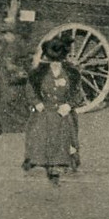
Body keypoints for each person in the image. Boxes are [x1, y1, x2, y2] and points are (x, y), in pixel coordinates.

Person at [24, 37, 81, 185]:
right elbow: (30, 89)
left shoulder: (72, 74)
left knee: (63, 134)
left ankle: (59, 164)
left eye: (59, 61)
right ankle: (39, 160)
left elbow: (78, 93)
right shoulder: (39, 73)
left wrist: (69, 105)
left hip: (63, 112)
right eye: (52, 61)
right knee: (40, 132)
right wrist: (37, 103)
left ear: (63, 59)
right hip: (45, 110)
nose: (55, 65)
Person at [0, 22, 31, 135]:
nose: (5, 37)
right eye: (4, 34)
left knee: (8, 100)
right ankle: (0, 123)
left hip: (10, 79)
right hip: (3, 78)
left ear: (13, 34)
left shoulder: (15, 46)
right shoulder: (7, 45)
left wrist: (12, 68)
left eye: (7, 34)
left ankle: (13, 126)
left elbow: (13, 64)